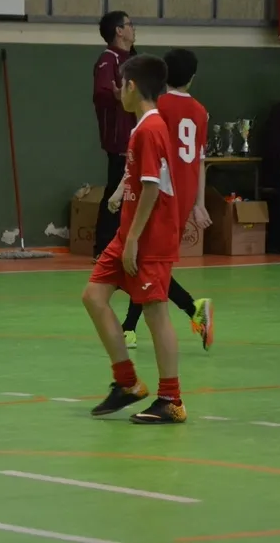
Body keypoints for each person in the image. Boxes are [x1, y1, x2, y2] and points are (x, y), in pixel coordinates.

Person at [82, 53, 186, 425]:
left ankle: (171, 400)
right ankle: (127, 383)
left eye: (121, 85)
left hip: (148, 240)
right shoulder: (141, 127)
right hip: (128, 234)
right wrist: (118, 196)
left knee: (156, 313)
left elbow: (152, 188)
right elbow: (140, 176)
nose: (117, 91)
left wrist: (133, 241)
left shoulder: (150, 128)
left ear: (132, 86)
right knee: (93, 297)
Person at [107, 48, 213, 351]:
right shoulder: (201, 111)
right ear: (191, 79)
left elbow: (145, 162)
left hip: (160, 195)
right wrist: (199, 203)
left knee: (144, 263)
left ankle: (136, 325)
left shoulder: (157, 108)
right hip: (183, 196)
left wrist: (119, 190)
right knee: (150, 266)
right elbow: (200, 160)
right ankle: (181, 312)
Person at [92, 10, 138, 260]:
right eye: (129, 24)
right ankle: (103, 247)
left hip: (136, 134)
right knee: (116, 191)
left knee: (131, 192)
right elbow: (101, 94)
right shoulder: (108, 60)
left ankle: (125, 243)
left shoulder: (133, 59)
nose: (133, 28)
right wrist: (117, 96)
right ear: (119, 31)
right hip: (120, 139)